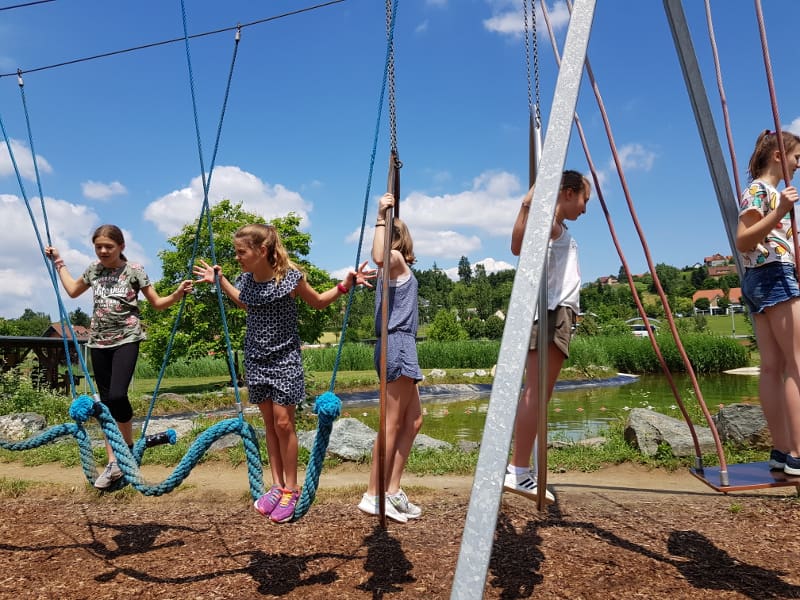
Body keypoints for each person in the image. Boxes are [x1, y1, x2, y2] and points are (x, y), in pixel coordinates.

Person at [193, 223, 375, 523]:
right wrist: (220, 280)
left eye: (241, 252)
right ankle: (276, 486)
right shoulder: (246, 280)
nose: (237, 257)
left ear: (262, 250)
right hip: (256, 360)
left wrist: (345, 285)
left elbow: (317, 302)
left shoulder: (289, 278)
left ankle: (291, 488)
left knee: (283, 423)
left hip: (284, 359)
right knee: (269, 424)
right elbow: (244, 301)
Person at [45, 224, 194, 489]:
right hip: (98, 343)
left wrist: (178, 293)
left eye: (109, 247)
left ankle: (127, 448)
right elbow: (72, 290)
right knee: (105, 405)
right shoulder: (94, 270)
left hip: (126, 338)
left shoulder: (134, 270)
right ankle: (114, 462)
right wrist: (59, 262)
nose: (103, 251)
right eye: (99, 247)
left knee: (117, 396)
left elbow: (157, 303)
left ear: (121, 246)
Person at [504, 170, 591, 504]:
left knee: (537, 393)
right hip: (553, 312)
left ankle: (519, 468)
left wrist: (527, 205)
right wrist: (530, 201)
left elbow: (517, 246)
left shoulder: (554, 226)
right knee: (537, 393)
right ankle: (518, 470)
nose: (585, 208)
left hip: (549, 312)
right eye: (584, 199)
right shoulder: (551, 224)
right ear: (567, 192)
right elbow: (517, 245)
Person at [357, 192, 424, 524]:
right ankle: (373, 493)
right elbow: (379, 255)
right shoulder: (393, 258)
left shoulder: (396, 267)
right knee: (392, 423)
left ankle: (392, 490)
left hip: (402, 344)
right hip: (397, 343)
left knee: (413, 421)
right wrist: (381, 217)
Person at [736, 129, 800, 476]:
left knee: (773, 366)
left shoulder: (766, 192)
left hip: (761, 278)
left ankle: (781, 450)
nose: (799, 164)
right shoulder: (761, 191)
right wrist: (781, 211)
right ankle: (797, 453)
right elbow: (743, 240)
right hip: (773, 275)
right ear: (779, 155)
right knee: (796, 363)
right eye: (796, 157)